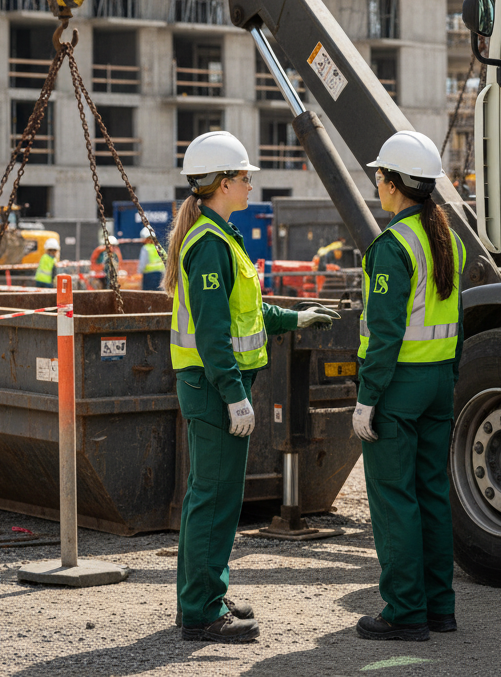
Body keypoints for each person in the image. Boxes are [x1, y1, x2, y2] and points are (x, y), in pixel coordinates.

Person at [166, 130, 339, 644]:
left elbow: (247, 314)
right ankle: (200, 612)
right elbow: (214, 334)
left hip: (216, 385)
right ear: (222, 183)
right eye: (244, 178)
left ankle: (203, 598)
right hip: (214, 386)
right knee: (214, 500)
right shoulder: (210, 246)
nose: (249, 185)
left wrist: (295, 317)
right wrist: (234, 394)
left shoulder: (221, 238)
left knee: (214, 497)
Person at [352, 130, 465, 642]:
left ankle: (404, 613)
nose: (377, 183)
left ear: (393, 182)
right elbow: (455, 321)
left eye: (380, 175)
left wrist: (366, 399)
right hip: (439, 381)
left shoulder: (392, 246)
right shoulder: (448, 240)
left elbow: (384, 334)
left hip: (398, 387)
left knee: (394, 500)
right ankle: (440, 609)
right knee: (432, 495)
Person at [138, 225, 166, 291]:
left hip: (149, 276)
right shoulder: (159, 247)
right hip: (160, 275)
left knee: (147, 296)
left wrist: (139, 273)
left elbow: (142, 264)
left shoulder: (145, 248)